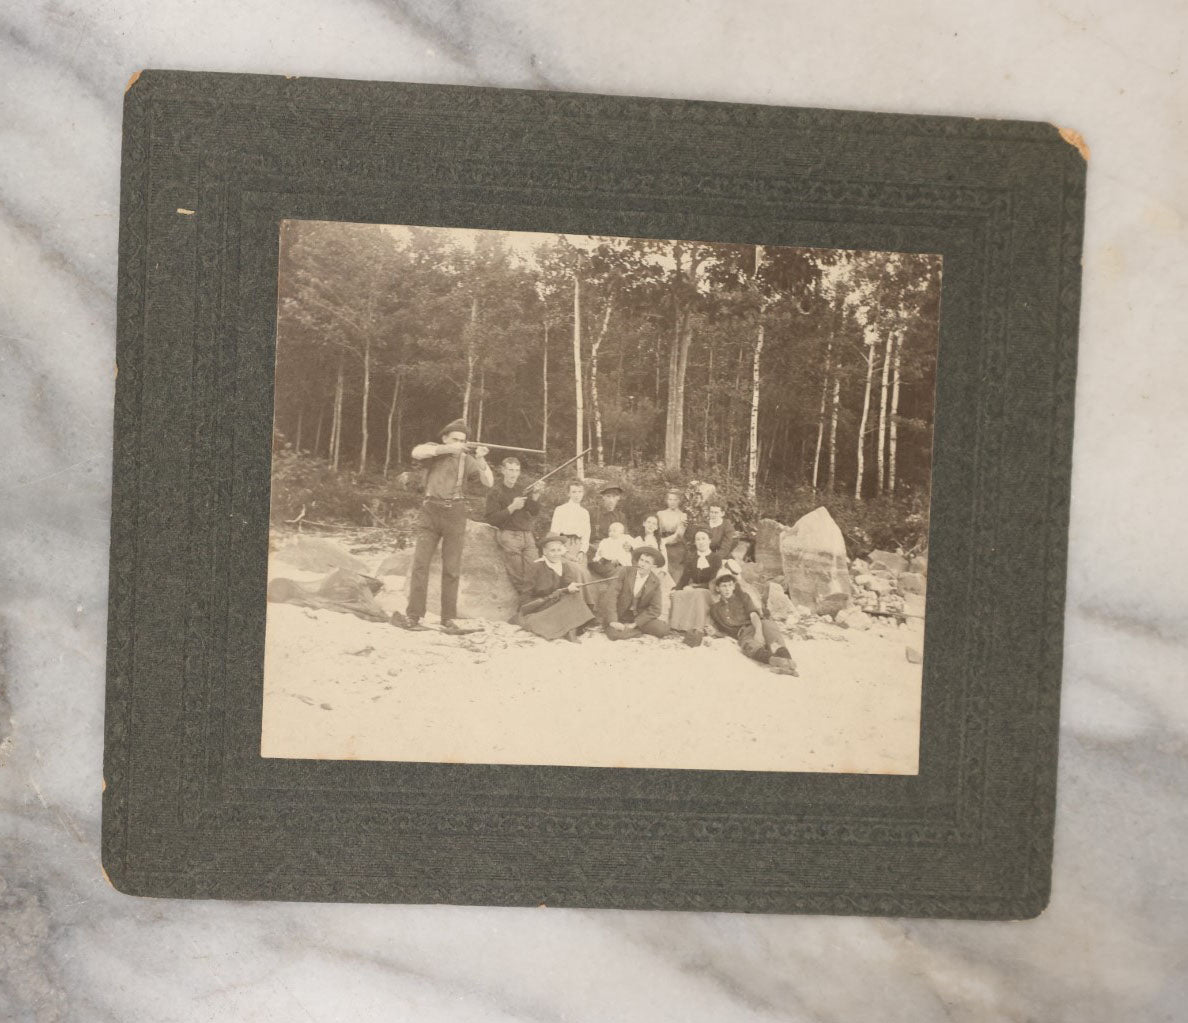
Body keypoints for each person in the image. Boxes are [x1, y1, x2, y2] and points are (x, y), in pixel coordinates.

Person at [392, 418, 493, 634]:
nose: (459, 443)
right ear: (445, 438)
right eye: (455, 439)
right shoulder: (433, 451)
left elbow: (488, 483)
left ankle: (447, 619)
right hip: (430, 512)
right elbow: (416, 452)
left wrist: (482, 460)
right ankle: (414, 616)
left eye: (462, 440)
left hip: (455, 513)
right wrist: (448, 448)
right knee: (420, 565)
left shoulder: (466, 459)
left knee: (452, 569)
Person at [709, 570, 798, 675]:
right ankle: (776, 662)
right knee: (750, 647)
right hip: (743, 634)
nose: (727, 589)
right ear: (718, 588)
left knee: (774, 637)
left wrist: (758, 632)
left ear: (734, 587)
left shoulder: (743, 597)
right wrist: (714, 633)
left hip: (759, 624)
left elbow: (754, 615)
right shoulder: (715, 609)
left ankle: (788, 662)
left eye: (730, 585)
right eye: (724, 586)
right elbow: (724, 631)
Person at [515, 534, 595, 642]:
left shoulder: (565, 566)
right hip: (541, 605)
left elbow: (567, 584)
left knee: (574, 597)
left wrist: (570, 587)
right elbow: (526, 592)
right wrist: (526, 608)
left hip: (557, 602)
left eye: (559, 550)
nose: (556, 554)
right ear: (545, 552)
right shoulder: (536, 566)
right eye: (552, 551)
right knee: (535, 620)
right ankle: (567, 629)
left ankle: (570, 631)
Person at [485, 456, 544, 598]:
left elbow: (534, 511)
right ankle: (527, 605)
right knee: (518, 573)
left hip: (527, 535)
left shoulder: (522, 489)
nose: (513, 474)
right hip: (509, 535)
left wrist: (535, 496)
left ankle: (527, 604)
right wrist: (511, 508)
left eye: (517, 470)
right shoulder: (496, 491)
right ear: (503, 471)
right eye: (510, 470)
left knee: (534, 568)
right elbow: (491, 519)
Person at [605, 547, 670, 641]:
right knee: (614, 634)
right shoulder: (626, 571)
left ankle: (631, 629)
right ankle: (632, 630)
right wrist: (613, 621)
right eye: (641, 560)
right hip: (621, 614)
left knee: (662, 630)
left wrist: (635, 623)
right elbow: (611, 596)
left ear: (654, 566)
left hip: (639, 617)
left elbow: (656, 609)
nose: (642, 564)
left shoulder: (655, 581)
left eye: (647, 562)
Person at [667, 527, 721, 641]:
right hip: (694, 589)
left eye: (703, 539)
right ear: (695, 542)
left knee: (698, 593)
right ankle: (678, 627)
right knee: (677, 595)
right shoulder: (691, 557)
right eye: (698, 539)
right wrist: (676, 589)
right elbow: (684, 577)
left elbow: (714, 581)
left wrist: (695, 587)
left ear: (709, 540)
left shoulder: (716, 558)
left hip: (710, 590)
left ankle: (698, 627)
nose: (701, 542)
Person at [632, 514, 675, 619]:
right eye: (649, 522)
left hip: (657, 570)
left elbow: (664, 559)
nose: (651, 525)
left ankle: (661, 617)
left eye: (654, 524)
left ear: (656, 527)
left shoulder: (659, 541)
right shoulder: (638, 540)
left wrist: (663, 571)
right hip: (642, 570)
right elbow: (635, 558)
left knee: (663, 591)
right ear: (644, 523)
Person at [549, 480, 592, 566]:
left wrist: (582, 552)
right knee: (570, 571)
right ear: (568, 493)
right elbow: (554, 534)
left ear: (583, 493)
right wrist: (565, 553)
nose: (577, 495)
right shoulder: (560, 510)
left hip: (579, 547)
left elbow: (586, 535)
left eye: (580, 491)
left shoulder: (585, 512)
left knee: (582, 572)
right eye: (574, 492)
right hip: (563, 546)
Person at [655, 489, 688, 588]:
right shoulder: (660, 514)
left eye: (675, 499)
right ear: (666, 500)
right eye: (670, 499)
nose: (672, 502)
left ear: (679, 501)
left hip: (676, 547)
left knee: (675, 575)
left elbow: (679, 535)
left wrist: (664, 541)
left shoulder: (683, 515)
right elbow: (657, 531)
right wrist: (659, 543)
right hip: (661, 544)